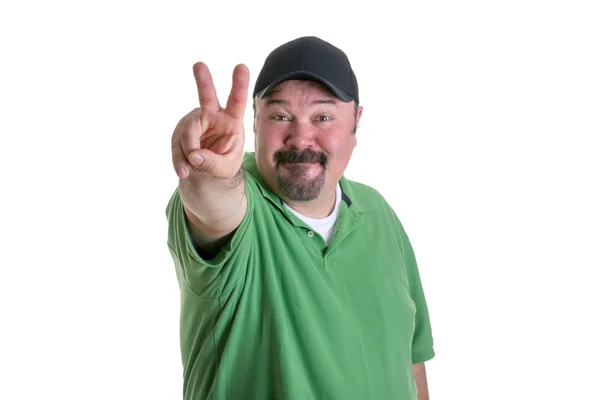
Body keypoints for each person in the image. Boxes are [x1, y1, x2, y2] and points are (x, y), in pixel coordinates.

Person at [166, 36, 435, 400]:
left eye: (322, 117)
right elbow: (213, 207)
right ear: (255, 121)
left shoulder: (379, 213)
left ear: (356, 121)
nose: (301, 137)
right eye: (280, 116)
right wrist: (208, 172)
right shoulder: (246, 208)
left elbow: (412, 361)